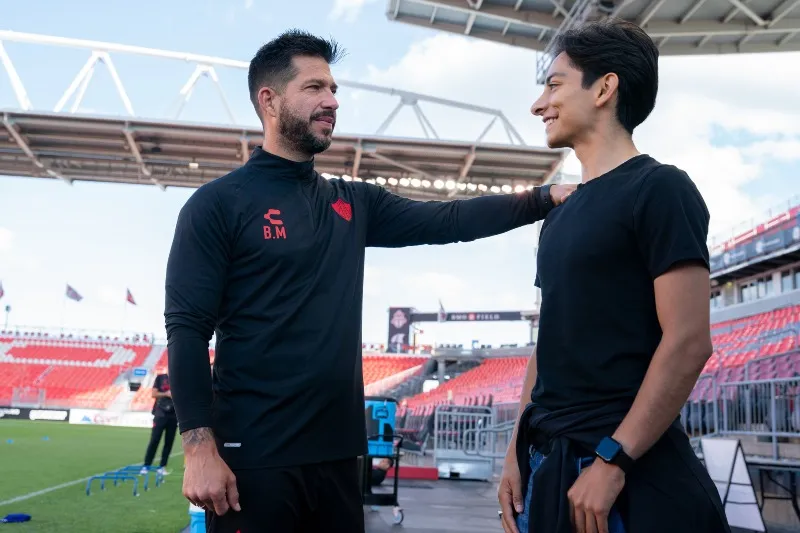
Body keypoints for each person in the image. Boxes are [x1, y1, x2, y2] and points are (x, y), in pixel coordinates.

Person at [164, 29, 576, 533]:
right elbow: (186, 331)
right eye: (315, 88)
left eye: (334, 89)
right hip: (254, 458)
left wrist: (543, 197)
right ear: (269, 101)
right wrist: (199, 446)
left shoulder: (353, 203)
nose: (332, 101)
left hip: (339, 456)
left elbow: (446, 220)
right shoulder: (216, 205)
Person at [497, 19, 732, 533]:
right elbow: (548, 342)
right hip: (549, 465)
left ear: (605, 88)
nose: (539, 104)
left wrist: (614, 461)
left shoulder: (661, 189)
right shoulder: (559, 214)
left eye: (554, 84)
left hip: (618, 478)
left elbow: (689, 340)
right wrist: (516, 451)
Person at [140, 369, 177, 476]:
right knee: (154, 440)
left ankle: (162, 466)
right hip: (160, 413)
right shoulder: (160, 378)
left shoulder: (179, 379)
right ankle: (146, 465)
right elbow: (154, 393)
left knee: (168, 442)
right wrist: (166, 393)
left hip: (174, 415)